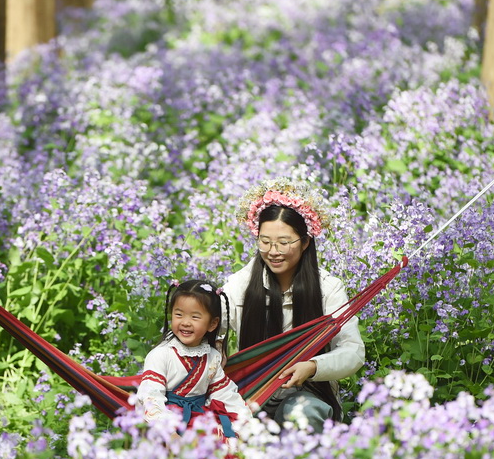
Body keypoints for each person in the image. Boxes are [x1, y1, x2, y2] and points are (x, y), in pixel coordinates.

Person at [221, 177, 364, 429]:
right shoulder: (240, 285)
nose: (273, 251)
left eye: (284, 243)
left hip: (308, 393)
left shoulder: (328, 289)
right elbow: (212, 327)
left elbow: (353, 352)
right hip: (249, 393)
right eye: (265, 242)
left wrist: (313, 366)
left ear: (306, 241)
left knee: (302, 413)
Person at [138, 279, 252, 440]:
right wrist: (169, 434)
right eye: (179, 314)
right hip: (167, 421)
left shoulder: (212, 357)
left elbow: (224, 393)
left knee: (224, 439)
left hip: (199, 418)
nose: (185, 322)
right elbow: (151, 396)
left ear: (212, 324)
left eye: (195, 317)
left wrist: (246, 423)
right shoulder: (160, 355)